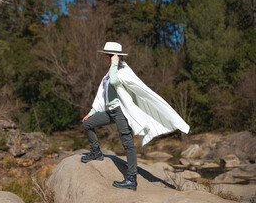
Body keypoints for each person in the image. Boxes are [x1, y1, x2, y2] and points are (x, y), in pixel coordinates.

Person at [81, 42, 190, 191]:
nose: (104, 58)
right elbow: (102, 94)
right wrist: (92, 113)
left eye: (106, 55)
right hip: (111, 111)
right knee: (87, 124)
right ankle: (96, 152)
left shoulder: (122, 70)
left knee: (127, 144)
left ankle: (131, 179)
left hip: (121, 112)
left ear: (113, 56)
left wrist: (114, 63)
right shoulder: (109, 72)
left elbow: (114, 81)